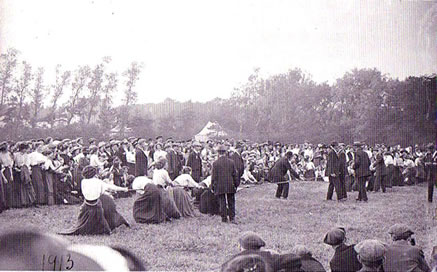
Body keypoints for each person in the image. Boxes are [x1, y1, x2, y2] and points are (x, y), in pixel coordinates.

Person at [59, 165, 129, 235]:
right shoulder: (97, 181)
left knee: (81, 219)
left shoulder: (83, 181)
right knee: (101, 218)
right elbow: (111, 187)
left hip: (86, 204)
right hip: (96, 204)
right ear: (94, 174)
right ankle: (108, 231)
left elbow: (86, 192)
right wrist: (124, 189)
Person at [222, 231, 303, 272]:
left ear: (240, 246)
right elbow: (296, 259)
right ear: (260, 247)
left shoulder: (230, 262)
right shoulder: (269, 257)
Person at [211, 144, 238, 223]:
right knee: (231, 201)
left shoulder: (215, 163)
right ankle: (232, 218)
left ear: (218, 153)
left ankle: (224, 218)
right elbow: (235, 175)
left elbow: (214, 176)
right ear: (225, 152)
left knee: (222, 202)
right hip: (230, 184)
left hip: (220, 185)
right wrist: (236, 184)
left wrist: (212, 186)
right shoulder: (231, 162)